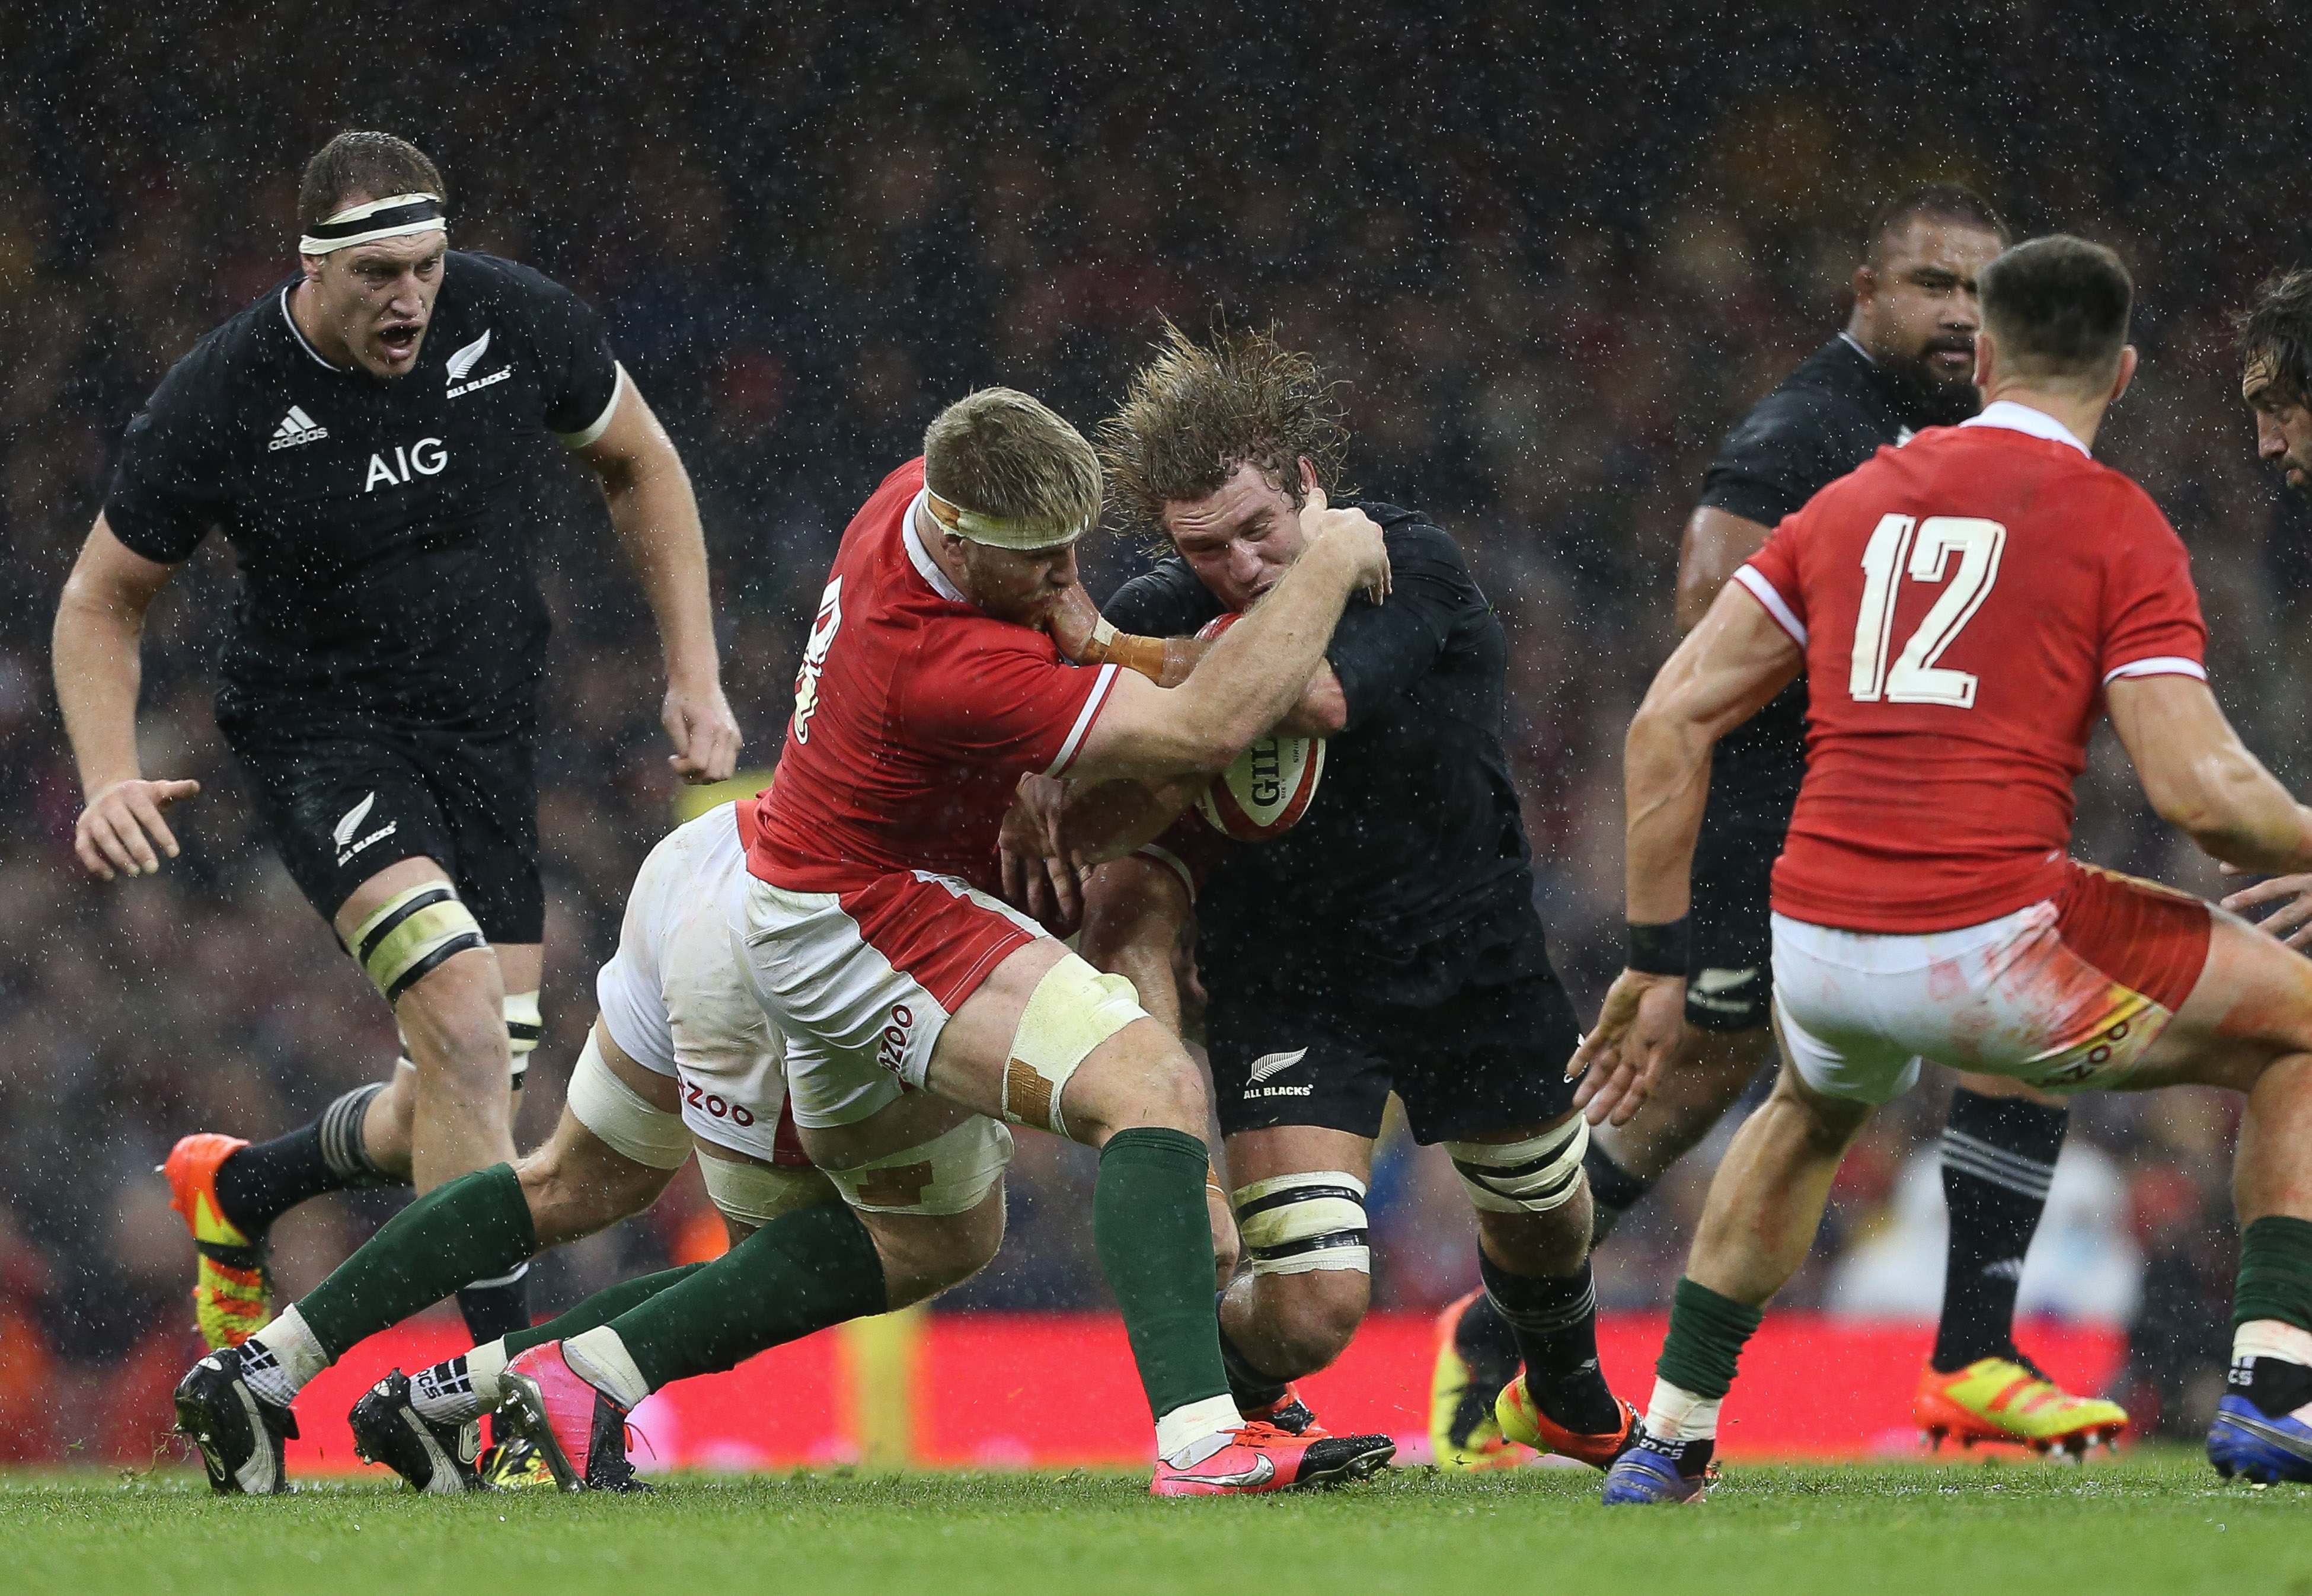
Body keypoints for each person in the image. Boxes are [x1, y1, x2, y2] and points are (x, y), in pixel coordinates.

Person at [487, 388, 1403, 1496]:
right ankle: (1205, 1438)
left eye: (1077, 553)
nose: (1068, 583)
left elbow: (1060, 652)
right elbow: (1214, 727)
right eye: (1045, 567)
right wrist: (1333, 556)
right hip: (860, 918)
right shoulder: (944, 659)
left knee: (930, 1242)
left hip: (830, 891)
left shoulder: (910, 497)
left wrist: (1038, 719)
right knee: (1151, 1085)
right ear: (965, 544)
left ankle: (565, 1374)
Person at [1576, 235, 2312, 1502]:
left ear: (1987, 362)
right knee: (2301, 1031)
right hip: (1995, 941)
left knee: (1807, 1111)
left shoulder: (1853, 496)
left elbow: (1667, 723)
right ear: (2124, 373)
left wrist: (1656, 953)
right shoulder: (2115, 521)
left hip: (1813, 934)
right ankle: (2277, 1392)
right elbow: (2202, 795)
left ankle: (1671, 1436)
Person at [50, 132, 742, 1354]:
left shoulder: (515, 320)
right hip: (323, 737)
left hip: (480, 736)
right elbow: (105, 596)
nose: (409, 297)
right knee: (468, 1025)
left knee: (458, 1087)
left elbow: (640, 462)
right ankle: (490, 1395)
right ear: (311, 267)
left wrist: (694, 672)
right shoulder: (225, 396)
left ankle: (245, 1189)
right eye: (376, 275)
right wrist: (106, 770)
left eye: (423, 266)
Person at [1507, 184, 2126, 1459]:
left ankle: (1972, 1355)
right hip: (1775, 823)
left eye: (1982, 291)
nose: (1962, 314)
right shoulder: (1813, 424)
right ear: (1866, 294)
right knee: (1715, 1088)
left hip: (1883, 814)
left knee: (1972, 1035)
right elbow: (1704, 598)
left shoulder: (1977, 432)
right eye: (1932, 286)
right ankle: (1506, 1337)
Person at [1052, 325, 1628, 1473]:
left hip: (1469, 943)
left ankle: (1561, 1393)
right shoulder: (1188, 598)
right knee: (1314, 1306)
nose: (1243, 565)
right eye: (1205, 548)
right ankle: (1223, 1406)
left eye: (1264, 529)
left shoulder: (1409, 558)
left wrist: (1138, 646)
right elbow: (1094, 760)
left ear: (1309, 481)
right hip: (1292, 974)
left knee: (1548, 1217)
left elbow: (1308, 695)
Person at [171, 793, 1011, 1494]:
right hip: (814, 916)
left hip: (711, 855)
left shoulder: (905, 621)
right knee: (841, 1255)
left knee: (569, 1180)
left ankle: (276, 1367)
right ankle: (534, 1384)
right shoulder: (1047, 672)